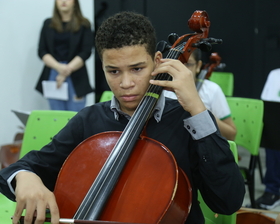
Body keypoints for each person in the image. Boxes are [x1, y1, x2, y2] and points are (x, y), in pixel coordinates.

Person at [0, 11, 245, 224]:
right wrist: (25, 177)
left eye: (137, 69)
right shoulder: (89, 120)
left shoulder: (189, 120)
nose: (126, 83)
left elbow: (228, 201)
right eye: (113, 71)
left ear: (157, 62)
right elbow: (19, 169)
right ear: (103, 66)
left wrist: (198, 110)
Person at [164, 49, 236, 141]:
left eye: (188, 64)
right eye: (177, 64)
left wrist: (201, 111)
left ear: (198, 66)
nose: (181, 70)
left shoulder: (212, 90)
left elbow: (231, 135)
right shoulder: (164, 91)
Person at [35, 0, 94, 111]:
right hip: (53, 72)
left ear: (75, 2)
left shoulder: (84, 24)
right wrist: (59, 68)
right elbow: (42, 51)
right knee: (56, 115)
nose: (63, 1)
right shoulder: (48, 23)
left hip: (76, 72)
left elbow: (86, 52)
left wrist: (66, 70)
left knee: (75, 116)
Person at [255, 68, 280, 209]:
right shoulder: (275, 74)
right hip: (276, 126)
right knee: (273, 133)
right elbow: (266, 103)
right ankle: (272, 191)